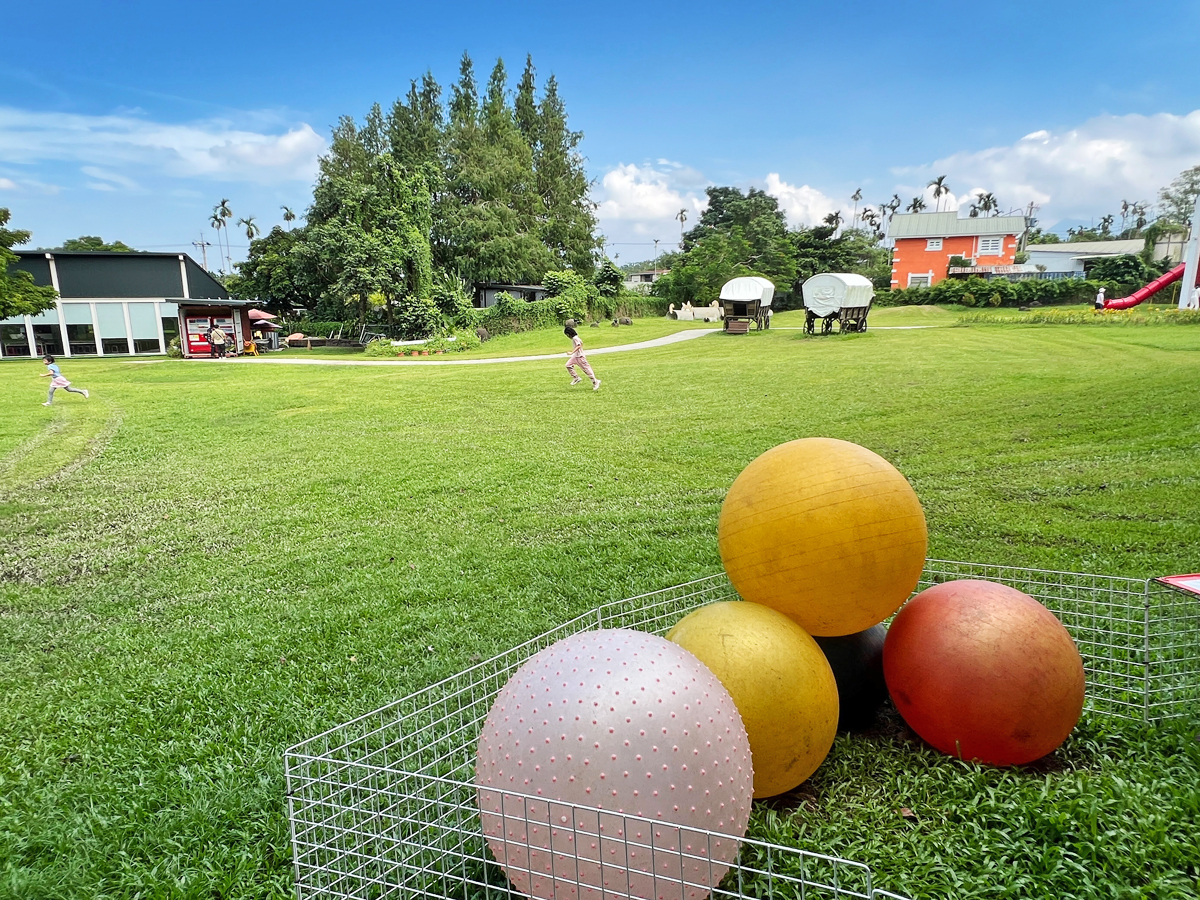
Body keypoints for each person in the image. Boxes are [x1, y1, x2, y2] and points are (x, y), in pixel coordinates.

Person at [564, 324, 600, 390]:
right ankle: (576, 377)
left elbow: (579, 345)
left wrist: (572, 352)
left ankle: (595, 382)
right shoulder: (575, 338)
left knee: (587, 370)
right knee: (568, 365)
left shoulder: (575, 338)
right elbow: (581, 343)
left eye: (567, 335)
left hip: (580, 357)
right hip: (576, 356)